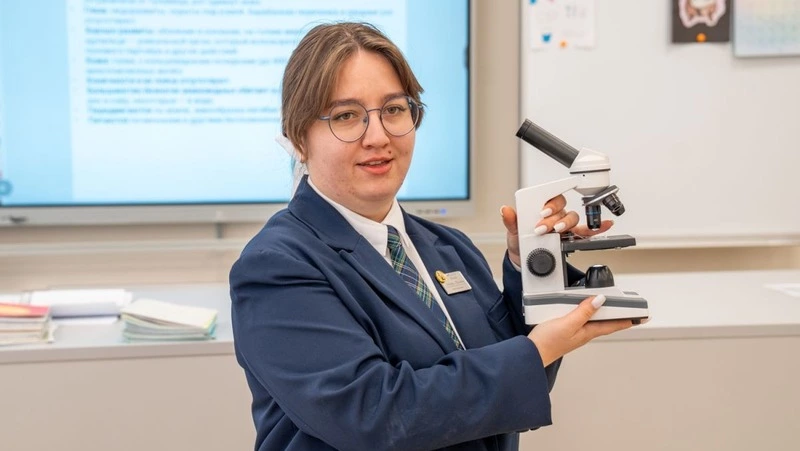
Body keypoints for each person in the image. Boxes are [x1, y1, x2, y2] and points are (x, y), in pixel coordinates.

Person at [230, 22, 637, 451]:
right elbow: (373, 416)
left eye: (394, 109)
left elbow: (508, 382)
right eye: (347, 116)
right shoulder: (276, 267)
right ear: (298, 137)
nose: (378, 137)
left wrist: (532, 266)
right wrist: (534, 354)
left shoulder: (449, 247)